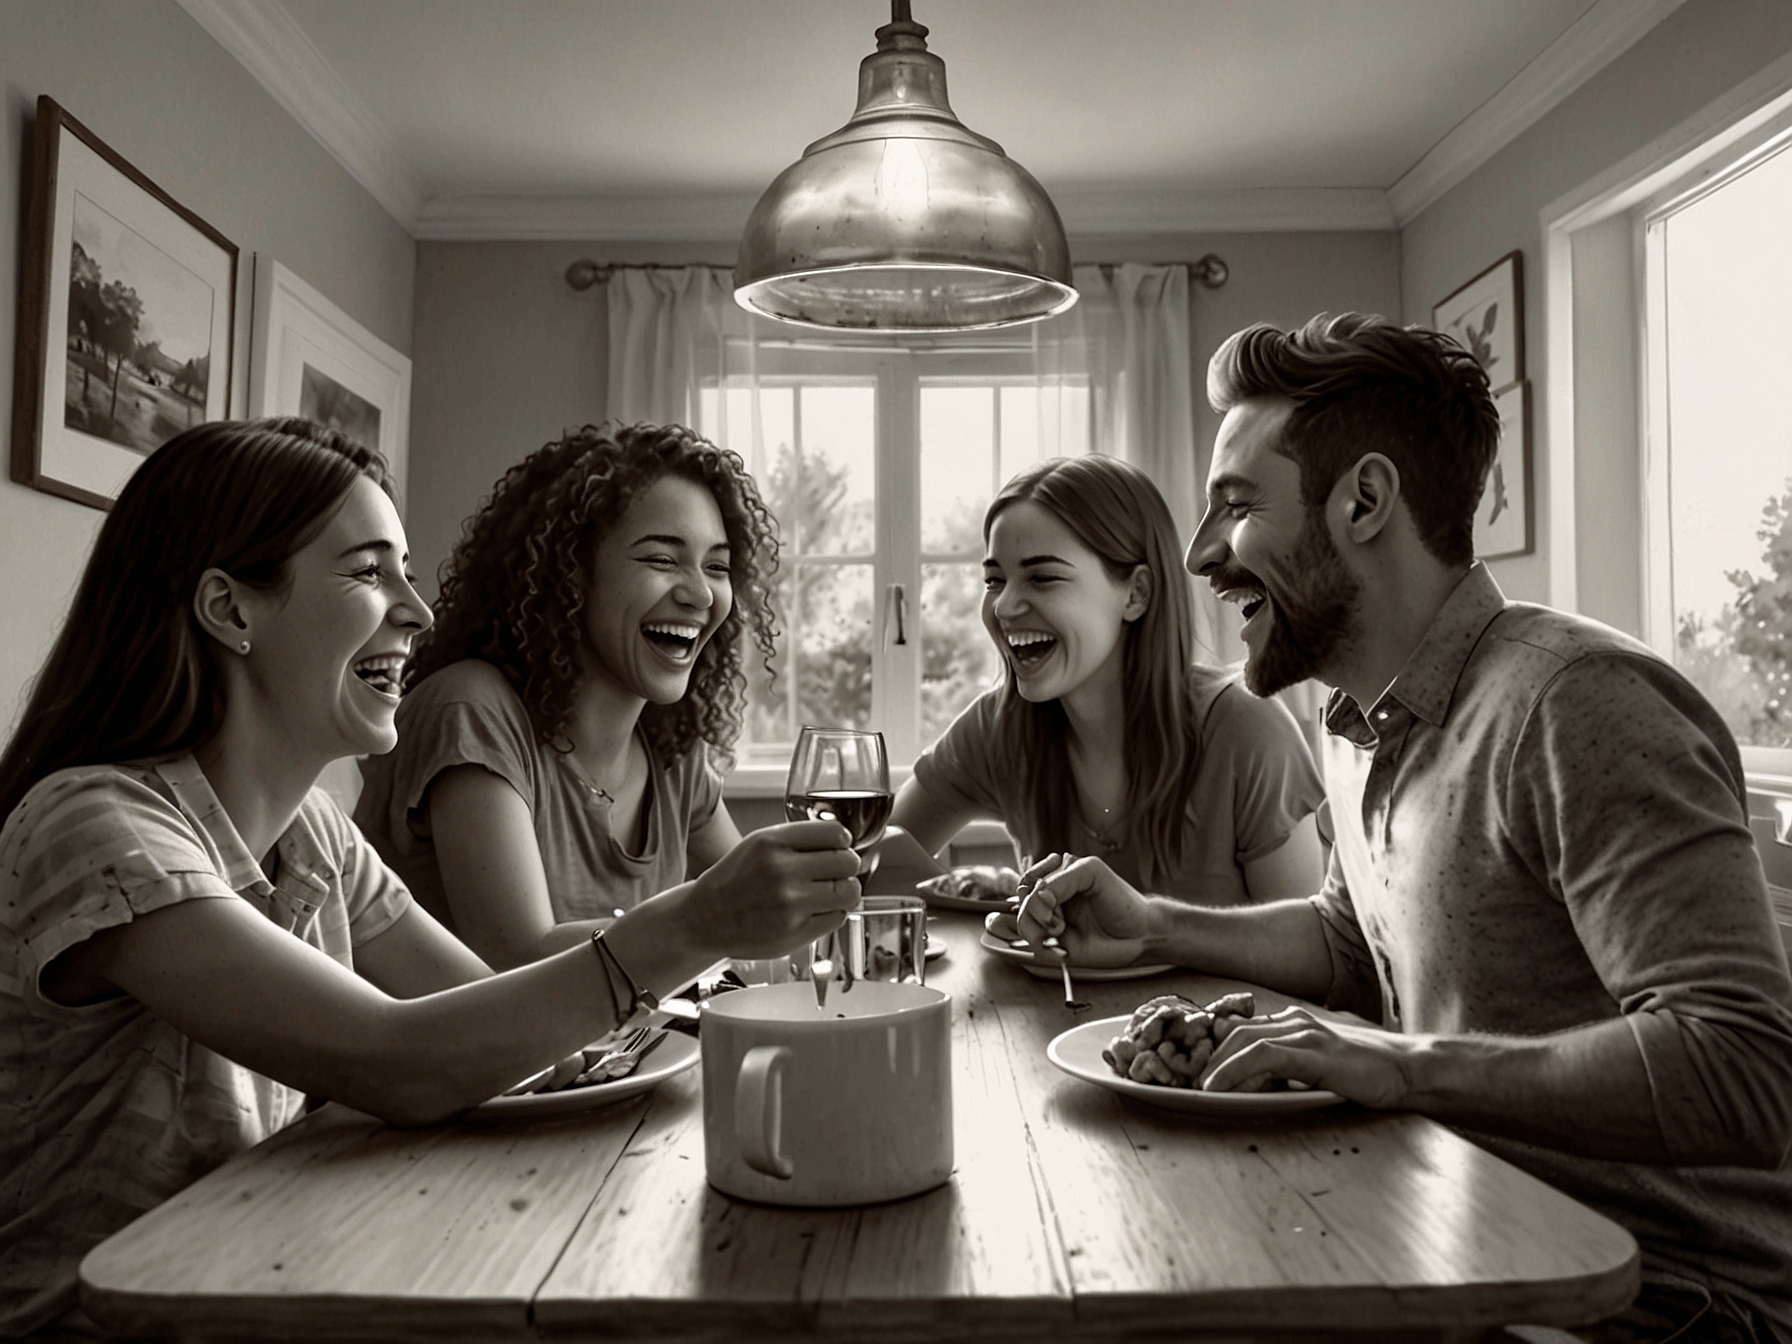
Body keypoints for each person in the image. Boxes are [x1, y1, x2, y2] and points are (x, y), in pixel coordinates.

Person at [1018, 314, 1792, 1341]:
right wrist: (1157, 928)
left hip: (1659, 1297)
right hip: (1458, 1223)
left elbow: (1741, 1068)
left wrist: (1401, 1063)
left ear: (1364, 501)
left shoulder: (1574, 701)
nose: (1204, 555)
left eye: (1236, 507)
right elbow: (1352, 940)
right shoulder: (1355, 715)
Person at [0, 419, 859, 1338]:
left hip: (262, 1279)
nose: (416, 610)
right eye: (371, 573)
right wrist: (696, 927)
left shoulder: (315, 839)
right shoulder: (94, 824)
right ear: (230, 608)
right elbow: (397, 1060)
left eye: (405, 572)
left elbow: (499, 1023)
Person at [355, 423, 777, 970]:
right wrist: (710, 917)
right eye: (661, 560)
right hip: (466, 1057)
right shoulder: (472, 712)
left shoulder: (672, 752)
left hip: (626, 1059)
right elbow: (520, 963)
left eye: (717, 567)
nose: (699, 593)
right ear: (572, 574)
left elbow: (765, 926)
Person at [891, 453, 1325, 910]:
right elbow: (873, 864)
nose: (1003, 607)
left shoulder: (1247, 732)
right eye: (995, 581)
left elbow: (1304, 966)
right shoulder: (997, 727)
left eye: (1042, 578)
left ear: (1136, 593)